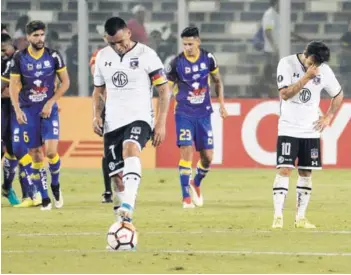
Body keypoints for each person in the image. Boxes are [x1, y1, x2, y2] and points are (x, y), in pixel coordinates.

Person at [92, 17, 170, 223]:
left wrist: (161, 123)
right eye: (112, 43)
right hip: (112, 122)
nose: (117, 47)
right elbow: (98, 90)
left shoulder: (147, 55)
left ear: (128, 32)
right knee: (116, 176)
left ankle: (129, 204)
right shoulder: (102, 57)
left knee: (130, 148)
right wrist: (96, 115)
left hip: (140, 117)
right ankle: (123, 223)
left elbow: (164, 90)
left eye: (120, 41)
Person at [272, 41, 344, 229]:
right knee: (285, 169)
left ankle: (300, 218)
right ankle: (278, 216)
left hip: (310, 131)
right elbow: (285, 94)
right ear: (306, 53)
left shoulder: (324, 71)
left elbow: (338, 94)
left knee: (306, 172)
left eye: (317, 64)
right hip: (288, 127)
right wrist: (306, 77)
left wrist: (328, 117)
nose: (314, 67)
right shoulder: (286, 63)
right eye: (312, 62)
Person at [9, 20, 70, 210]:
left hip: (48, 109)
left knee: (51, 152)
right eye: (35, 35)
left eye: (42, 34)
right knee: (36, 154)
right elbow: (13, 86)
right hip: (28, 110)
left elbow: (66, 82)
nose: (40, 38)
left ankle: (56, 185)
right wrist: (18, 110)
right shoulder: (19, 58)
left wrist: (51, 102)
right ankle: (44, 197)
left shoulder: (54, 56)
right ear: (27, 37)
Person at [166, 26, 228, 208]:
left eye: (190, 44)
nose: (187, 47)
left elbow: (218, 81)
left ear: (198, 42)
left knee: (208, 157)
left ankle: (196, 183)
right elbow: (167, 88)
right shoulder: (176, 63)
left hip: (203, 114)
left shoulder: (208, 59)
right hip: (184, 112)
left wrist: (222, 104)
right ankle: (185, 196)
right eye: (184, 44)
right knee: (186, 150)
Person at [1, 33, 39, 206]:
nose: (1, 53)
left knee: (16, 150)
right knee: (9, 150)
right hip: (5, 108)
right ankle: (14, 190)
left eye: (3, 49)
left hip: (15, 109)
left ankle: (24, 193)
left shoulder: (16, 59)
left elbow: (9, 89)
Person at [89, 44, 114, 203]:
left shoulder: (132, 53)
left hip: (127, 108)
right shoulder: (99, 55)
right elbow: (97, 80)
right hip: (108, 109)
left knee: (127, 149)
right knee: (108, 150)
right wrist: (96, 115)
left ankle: (125, 186)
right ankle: (108, 190)